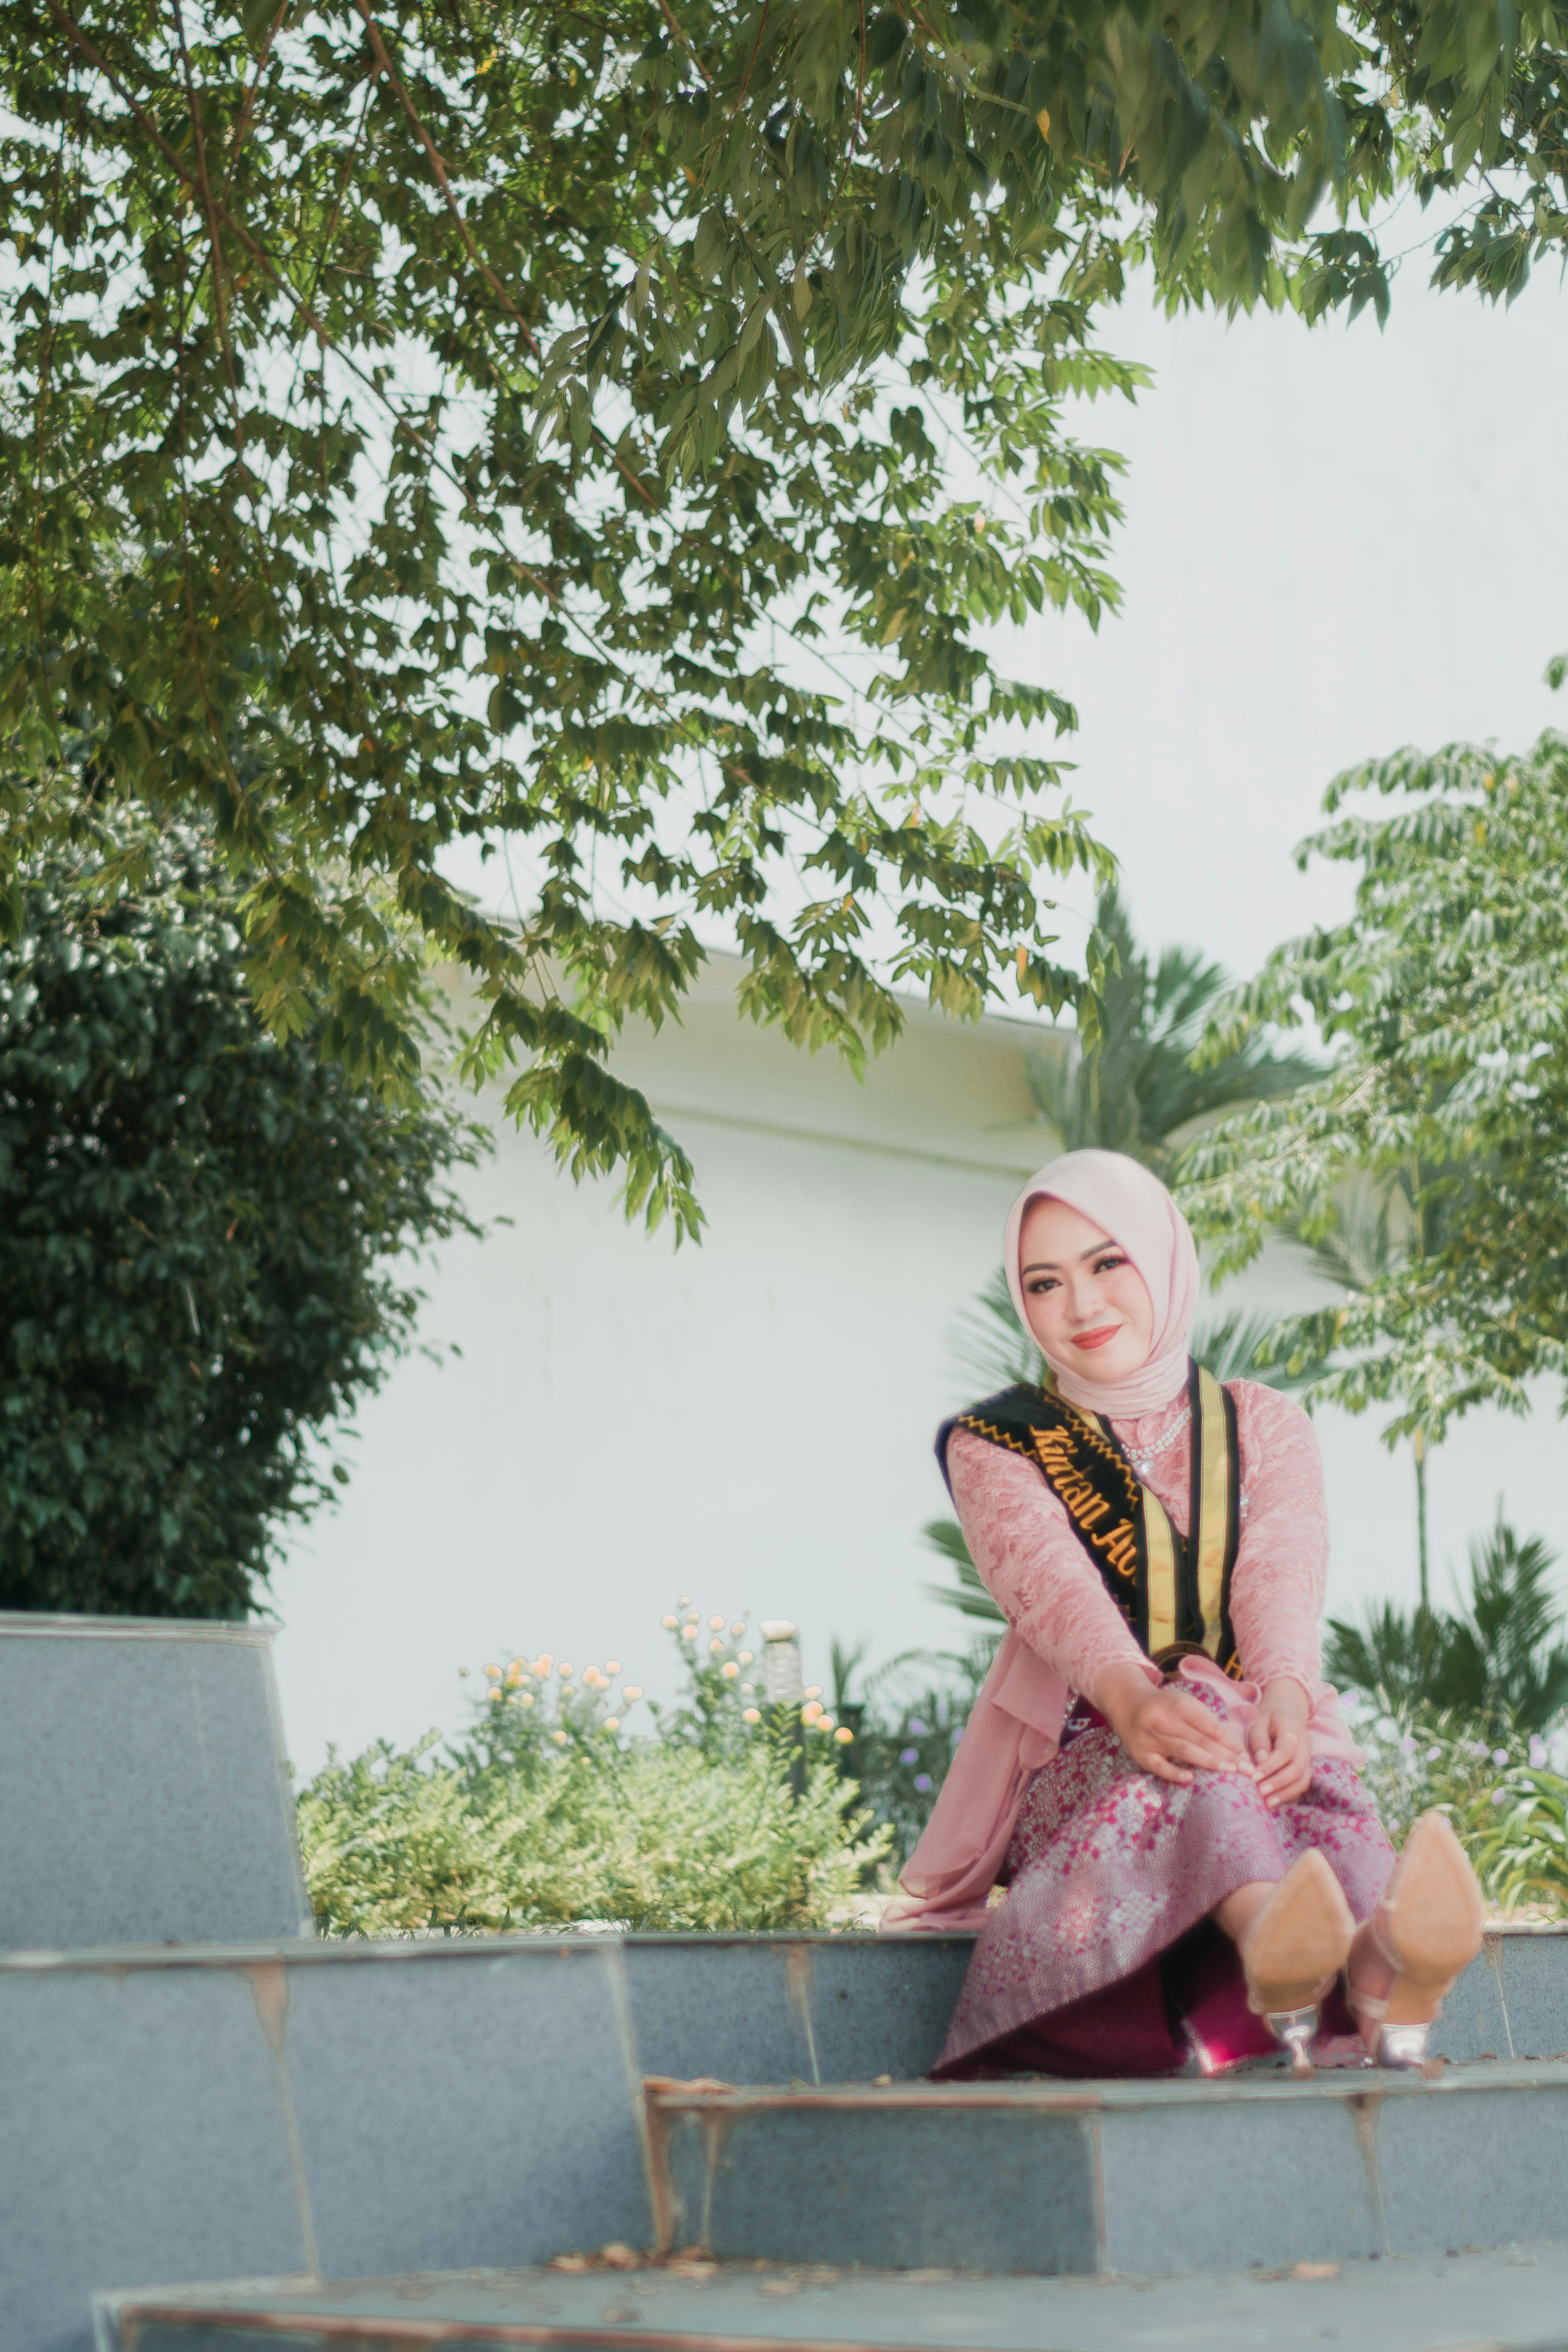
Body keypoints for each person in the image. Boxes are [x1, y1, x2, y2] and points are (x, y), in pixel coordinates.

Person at [880, 1149, 1485, 2078]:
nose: (1079, 1307)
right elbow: (1048, 1588)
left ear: (1161, 1257)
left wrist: (1284, 1688)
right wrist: (1131, 1700)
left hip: (1249, 1722)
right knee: (1202, 1742)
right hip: (1088, 1749)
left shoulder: (1261, 1422)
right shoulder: (999, 1446)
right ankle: (1283, 1942)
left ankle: (1368, 1960)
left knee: (1302, 1770)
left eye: (1106, 1263)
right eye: (1045, 1282)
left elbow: (1280, 1568)